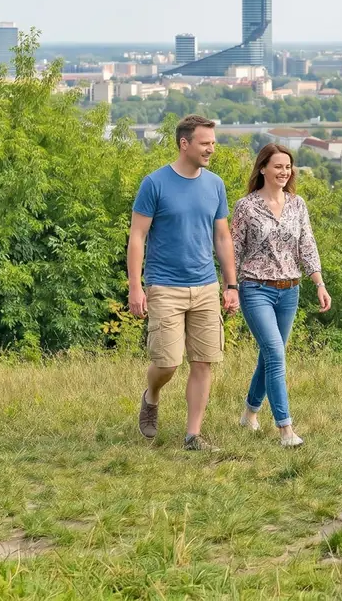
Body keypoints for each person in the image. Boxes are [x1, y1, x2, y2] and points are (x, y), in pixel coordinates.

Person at [128, 115, 239, 452]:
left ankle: (193, 435)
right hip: (164, 286)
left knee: (204, 361)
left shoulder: (215, 184)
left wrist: (230, 285)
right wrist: (135, 286)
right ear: (184, 143)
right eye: (205, 143)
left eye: (213, 143)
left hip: (205, 286)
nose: (211, 149)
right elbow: (137, 237)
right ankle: (152, 395)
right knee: (167, 363)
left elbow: (222, 236)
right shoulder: (155, 183)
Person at [232, 143, 331, 448]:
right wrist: (230, 288)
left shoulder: (297, 204)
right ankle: (285, 429)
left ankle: (249, 414)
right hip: (255, 288)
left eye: (287, 167)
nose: (284, 172)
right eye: (277, 166)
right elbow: (233, 251)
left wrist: (319, 283)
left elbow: (307, 245)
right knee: (276, 354)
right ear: (262, 168)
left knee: (269, 355)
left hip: (290, 290)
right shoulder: (245, 207)